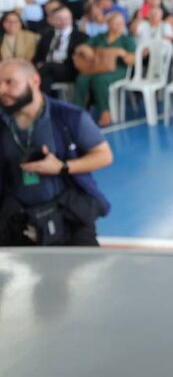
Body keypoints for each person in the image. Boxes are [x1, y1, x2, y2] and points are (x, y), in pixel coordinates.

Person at [0, 59, 112, 246]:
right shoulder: (3, 122)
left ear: (35, 81)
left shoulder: (69, 117)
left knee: (86, 264)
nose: (2, 90)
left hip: (67, 215)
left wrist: (63, 167)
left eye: (9, 82)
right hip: (16, 218)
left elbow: (104, 155)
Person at [73, 11, 136, 127]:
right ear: (108, 24)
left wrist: (122, 53)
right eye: (115, 23)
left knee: (100, 80)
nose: (119, 26)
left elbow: (132, 60)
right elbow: (83, 47)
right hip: (97, 68)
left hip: (118, 70)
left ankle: (105, 112)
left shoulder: (126, 39)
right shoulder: (100, 37)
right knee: (82, 79)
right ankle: (77, 111)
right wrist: (86, 49)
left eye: (121, 23)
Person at [34, 5, 89, 96]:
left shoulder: (81, 37)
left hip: (69, 69)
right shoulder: (46, 36)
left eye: (66, 18)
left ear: (71, 19)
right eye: (59, 18)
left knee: (46, 69)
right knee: (46, 79)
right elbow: (37, 56)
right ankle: (45, 101)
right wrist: (38, 63)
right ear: (52, 20)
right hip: (48, 70)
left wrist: (45, 65)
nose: (63, 21)